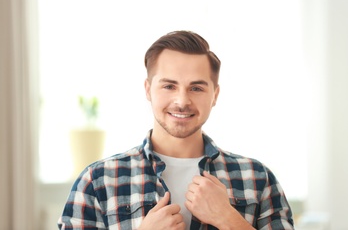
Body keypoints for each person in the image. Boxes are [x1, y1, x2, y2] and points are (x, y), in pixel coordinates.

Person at [58, 30, 294, 229]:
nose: (182, 101)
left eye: (197, 88)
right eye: (169, 86)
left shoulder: (258, 179)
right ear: (148, 90)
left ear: (215, 95)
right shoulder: (97, 181)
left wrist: (229, 219)